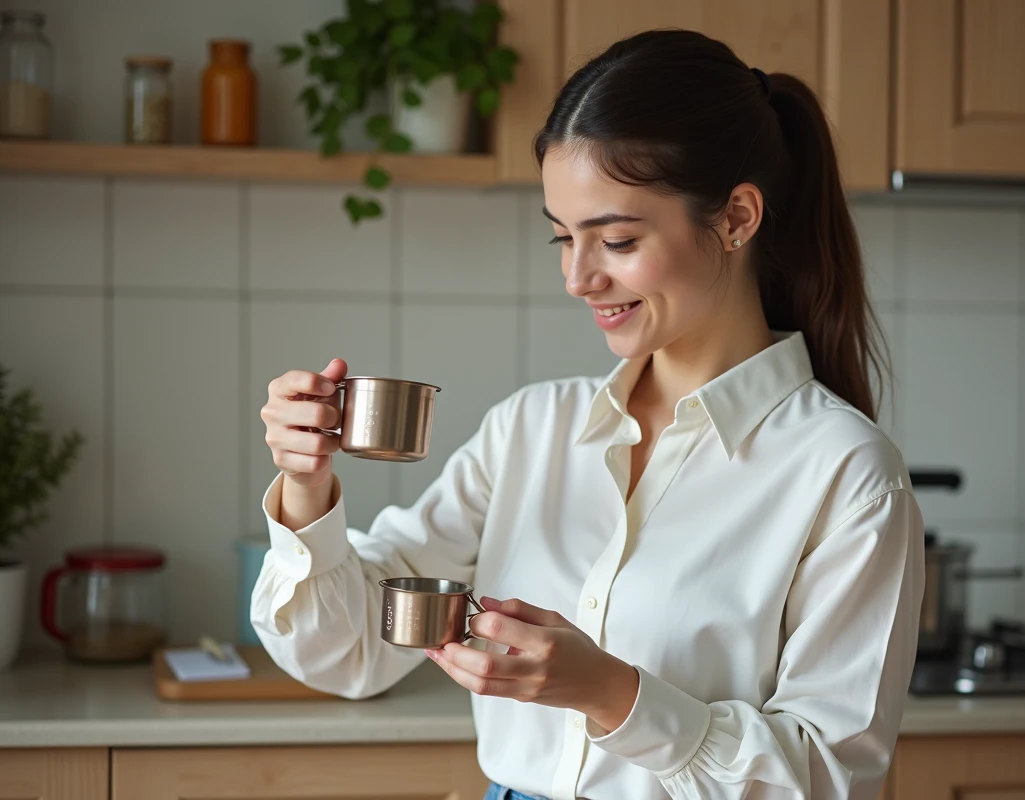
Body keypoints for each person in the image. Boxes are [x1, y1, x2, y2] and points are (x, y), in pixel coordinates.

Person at [253, 29, 924, 800]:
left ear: (737, 217)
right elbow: (350, 654)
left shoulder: (846, 473)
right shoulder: (530, 431)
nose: (579, 276)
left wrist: (613, 695)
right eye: (563, 237)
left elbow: (827, 778)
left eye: (616, 238)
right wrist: (305, 487)